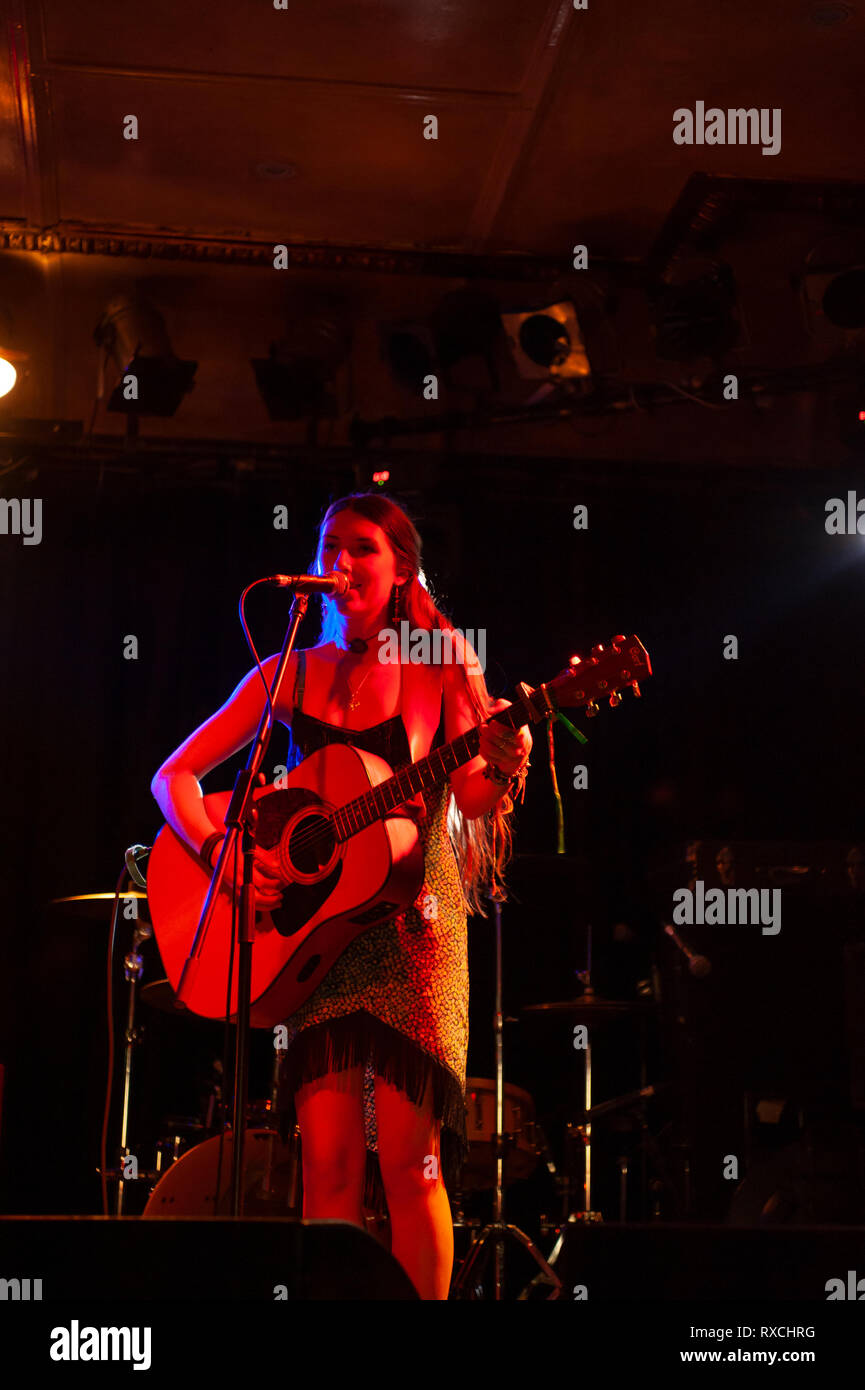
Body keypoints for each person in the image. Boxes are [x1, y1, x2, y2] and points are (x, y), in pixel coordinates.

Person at [150, 492, 532, 1299]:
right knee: (324, 1164)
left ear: (401, 569)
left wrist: (503, 756)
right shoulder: (289, 670)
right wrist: (220, 846)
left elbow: (469, 796)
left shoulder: (439, 658)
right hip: (315, 930)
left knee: (408, 1160)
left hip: (409, 922)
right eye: (330, 546)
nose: (342, 562)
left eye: (362, 546)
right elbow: (174, 776)